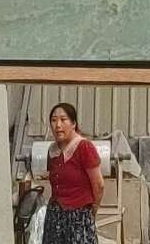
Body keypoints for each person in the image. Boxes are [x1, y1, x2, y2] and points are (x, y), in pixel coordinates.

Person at [43, 101, 104, 244]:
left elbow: (99, 185)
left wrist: (92, 210)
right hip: (55, 217)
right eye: (54, 120)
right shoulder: (52, 150)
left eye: (63, 120)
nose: (58, 125)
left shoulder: (84, 147)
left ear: (73, 124)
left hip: (78, 217)